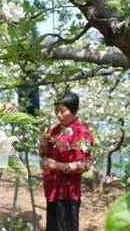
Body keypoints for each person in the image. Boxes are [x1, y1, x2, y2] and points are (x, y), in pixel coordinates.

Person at [39, 92, 94, 231]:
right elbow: (44, 156)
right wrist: (43, 143)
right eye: (56, 111)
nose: (58, 115)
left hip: (68, 193)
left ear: (73, 110)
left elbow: (85, 164)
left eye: (62, 111)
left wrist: (57, 165)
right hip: (52, 189)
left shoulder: (82, 133)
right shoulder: (55, 130)